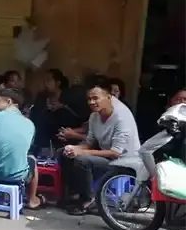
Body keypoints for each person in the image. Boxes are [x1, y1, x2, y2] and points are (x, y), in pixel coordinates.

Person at [59, 82, 141, 215]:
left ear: (108, 98)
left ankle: (90, 200)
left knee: (82, 160)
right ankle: (72, 195)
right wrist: (73, 148)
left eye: (95, 98)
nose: (91, 102)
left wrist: (82, 151)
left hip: (124, 163)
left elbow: (115, 153)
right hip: (108, 158)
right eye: (89, 99)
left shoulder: (121, 118)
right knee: (63, 153)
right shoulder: (94, 116)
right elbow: (89, 142)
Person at [0, 88, 43, 210]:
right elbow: (24, 150)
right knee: (32, 159)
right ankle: (32, 200)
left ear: (8, 101)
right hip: (18, 178)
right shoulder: (30, 124)